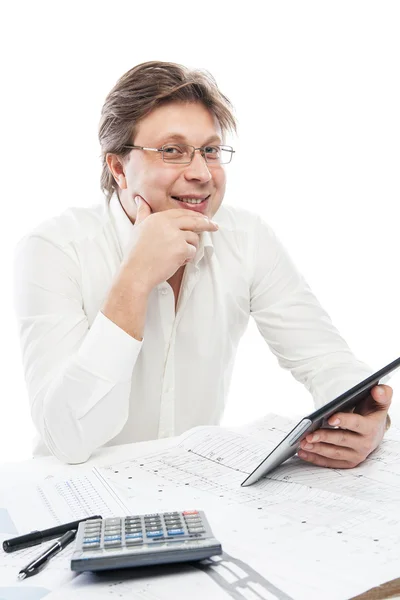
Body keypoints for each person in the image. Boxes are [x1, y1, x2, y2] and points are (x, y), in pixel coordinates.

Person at [13, 61, 392, 465]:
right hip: (71, 503)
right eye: (172, 151)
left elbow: (325, 359)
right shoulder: (54, 248)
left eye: (209, 151)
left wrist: (364, 419)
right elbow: (68, 439)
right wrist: (135, 278)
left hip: (190, 493)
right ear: (119, 168)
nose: (201, 174)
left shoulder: (247, 237)